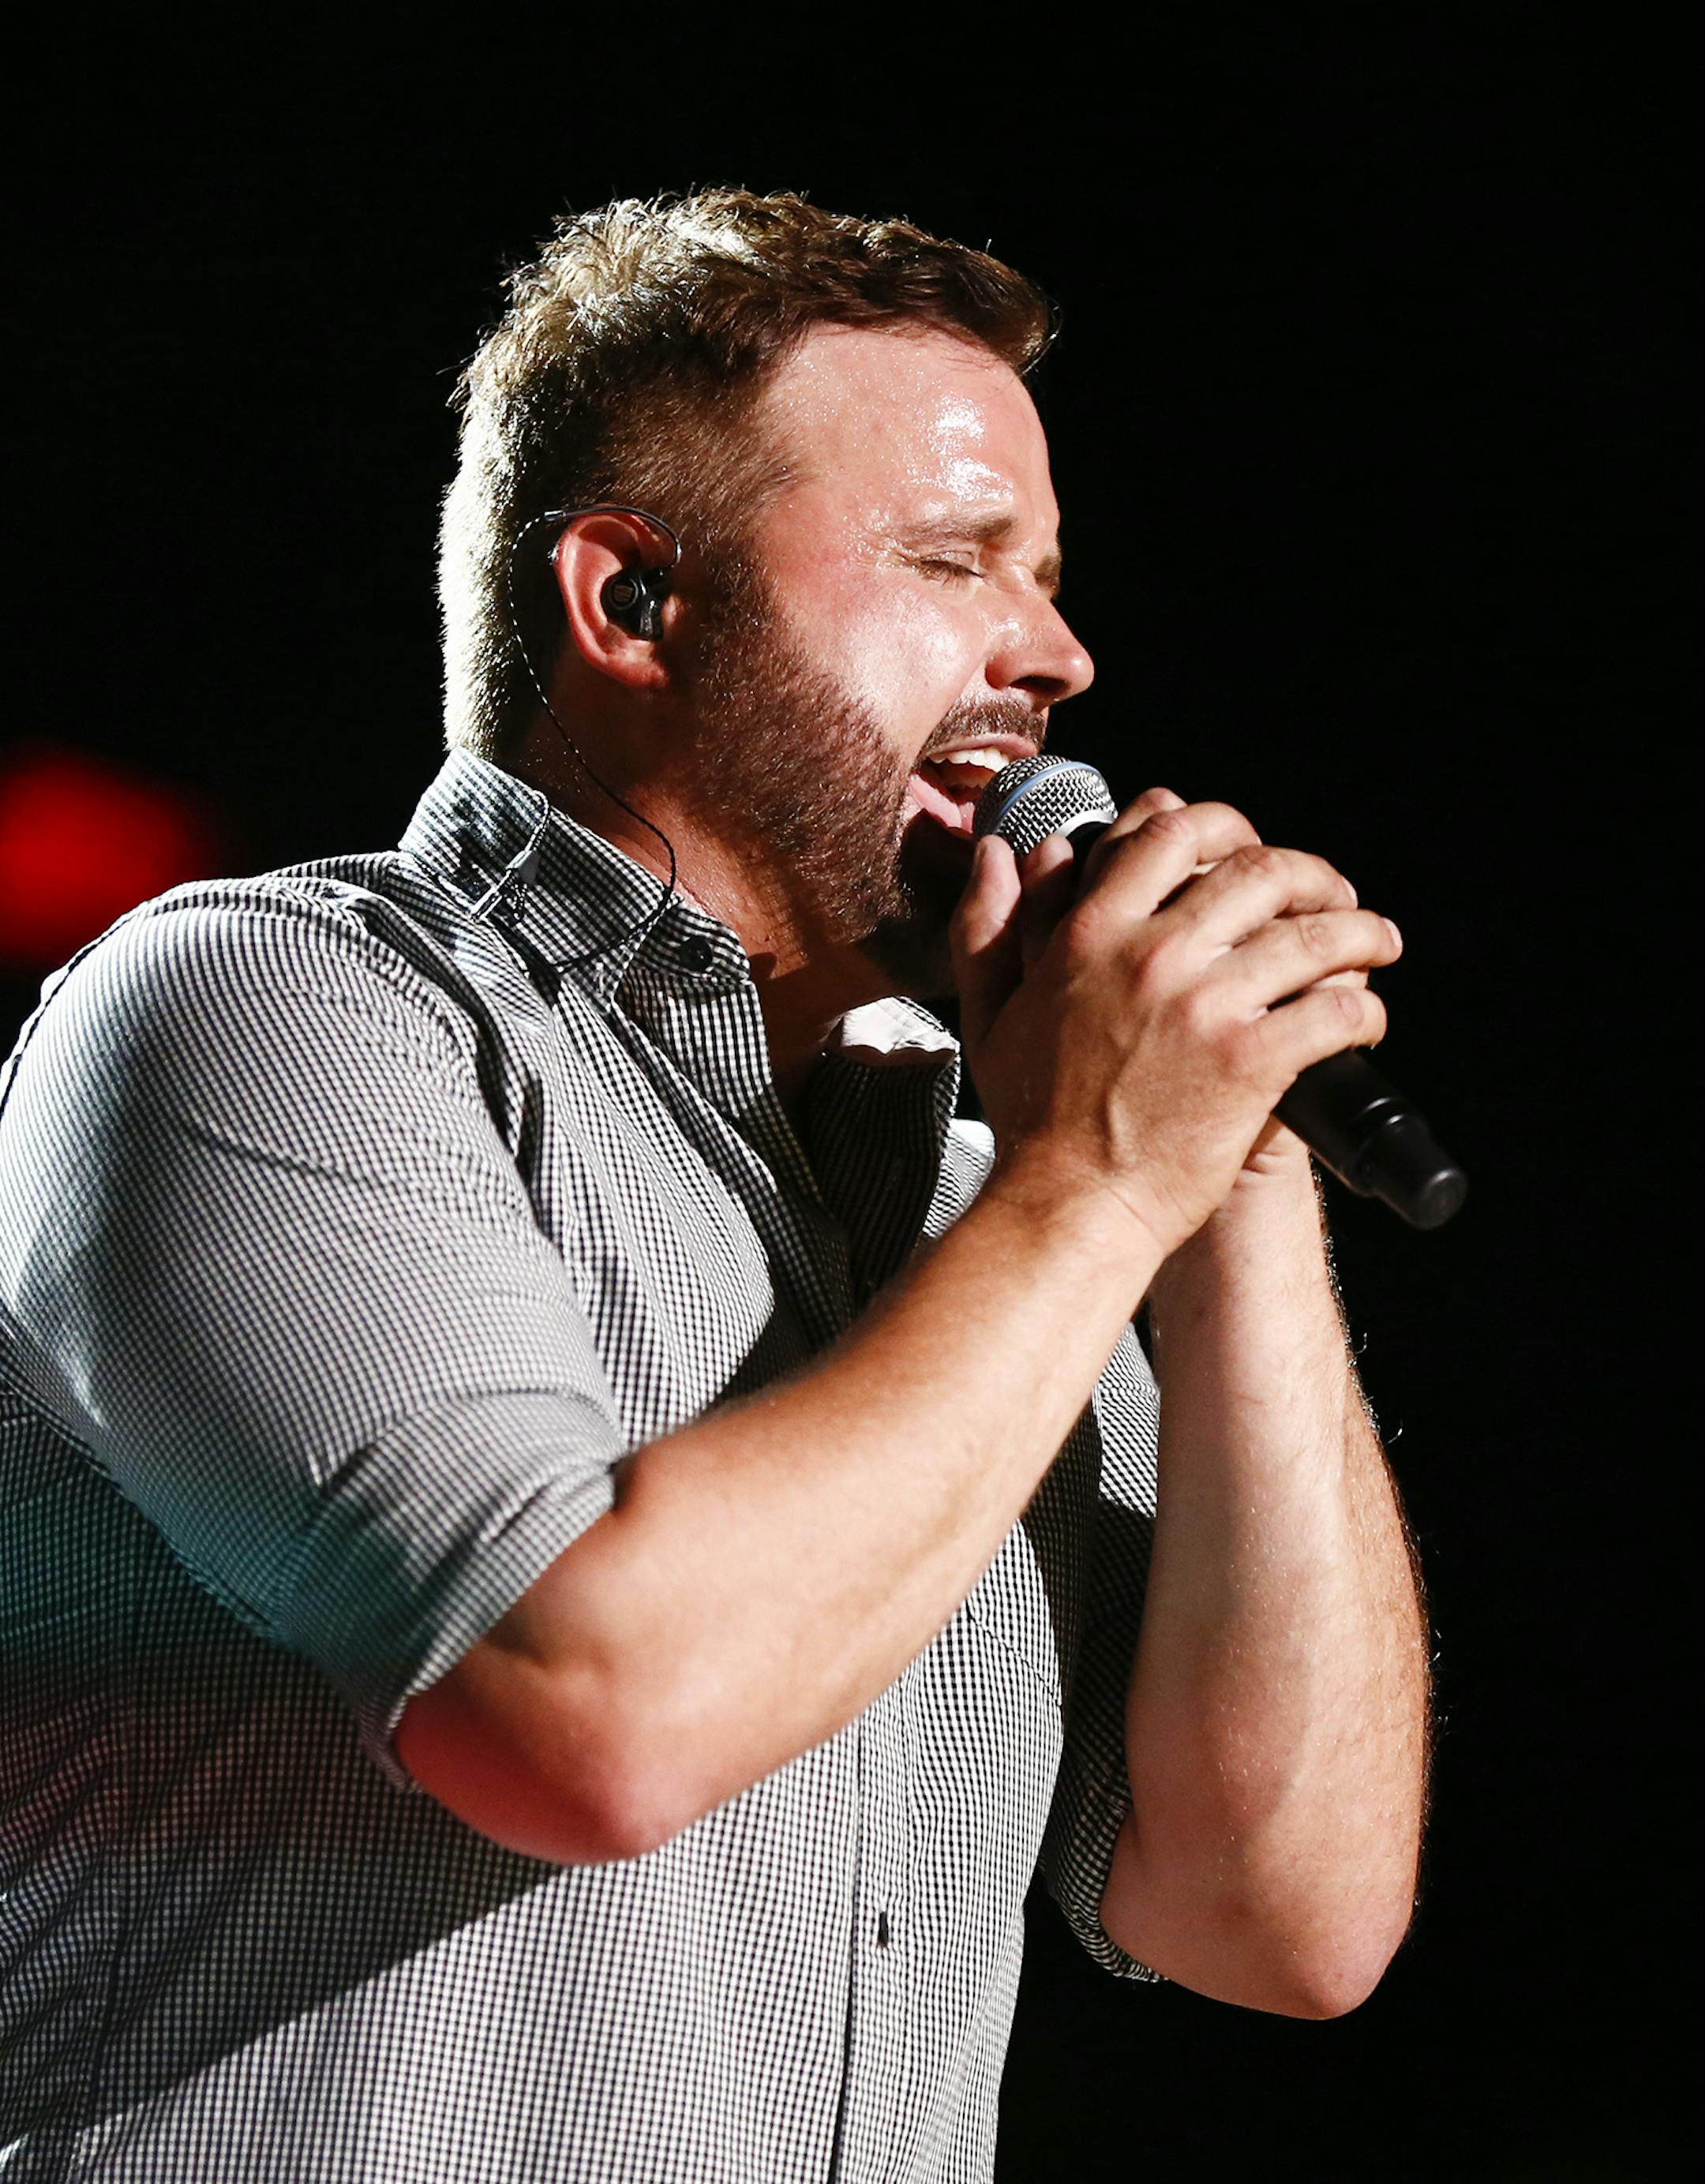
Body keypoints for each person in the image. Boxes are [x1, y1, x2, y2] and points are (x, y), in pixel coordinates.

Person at [0, 190, 1427, 2182]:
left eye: (1051, 575)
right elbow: (579, 1716)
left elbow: (1282, 1919)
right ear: (632, 602)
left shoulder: (980, 1218)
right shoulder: (272, 1008)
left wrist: (1232, 1179)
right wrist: (1103, 1180)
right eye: (956, 562)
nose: (1059, 652)